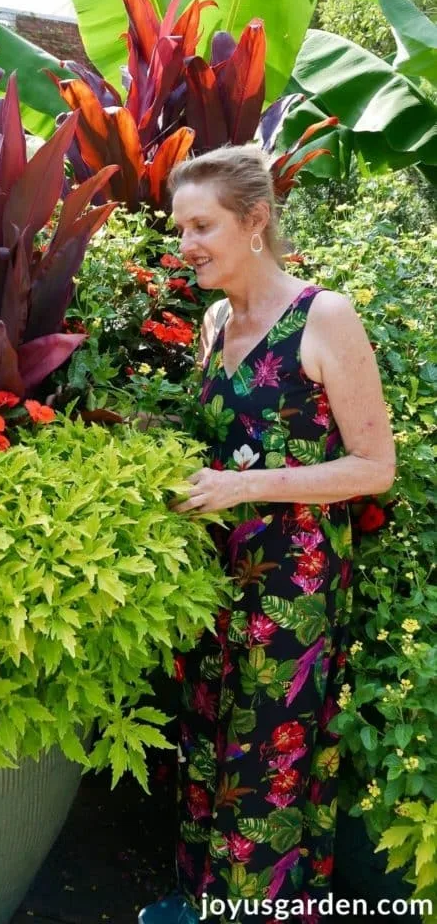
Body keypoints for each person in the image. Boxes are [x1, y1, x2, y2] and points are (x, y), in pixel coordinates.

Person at [137, 145, 396, 924]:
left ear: (254, 222)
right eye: (179, 227)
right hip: (215, 577)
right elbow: (219, 439)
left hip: (293, 583)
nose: (185, 244)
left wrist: (243, 486)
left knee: (267, 755)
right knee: (208, 743)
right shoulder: (214, 321)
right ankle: (204, 900)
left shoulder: (325, 315)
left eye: (201, 225)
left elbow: (373, 466)